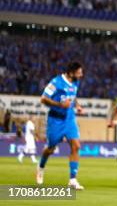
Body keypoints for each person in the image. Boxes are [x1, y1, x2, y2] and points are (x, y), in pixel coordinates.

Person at [36, 62, 85, 190]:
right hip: (55, 120)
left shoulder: (76, 82)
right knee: (50, 149)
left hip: (69, 119)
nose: (81, 75)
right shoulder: (56, 82)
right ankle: (41, 167)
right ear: (71, 73)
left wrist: (77, 105)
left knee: (76, 146)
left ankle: (72, 180)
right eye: (79, 73)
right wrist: (59, 105)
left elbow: (72, 97)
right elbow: (43, 99)